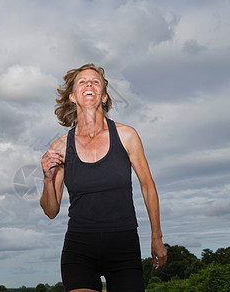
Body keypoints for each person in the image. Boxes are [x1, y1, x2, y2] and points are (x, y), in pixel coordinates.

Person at [40, 63, 167, 292]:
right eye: (82, 81)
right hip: (80, 248)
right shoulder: (59, 147)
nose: (89, 84)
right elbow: (51, 211)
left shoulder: (127, 136)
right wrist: (48, 180)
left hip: (124, 245)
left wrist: (156, 236)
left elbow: (148, 186)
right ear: (72, 97)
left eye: (95, 81)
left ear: (104, 97)